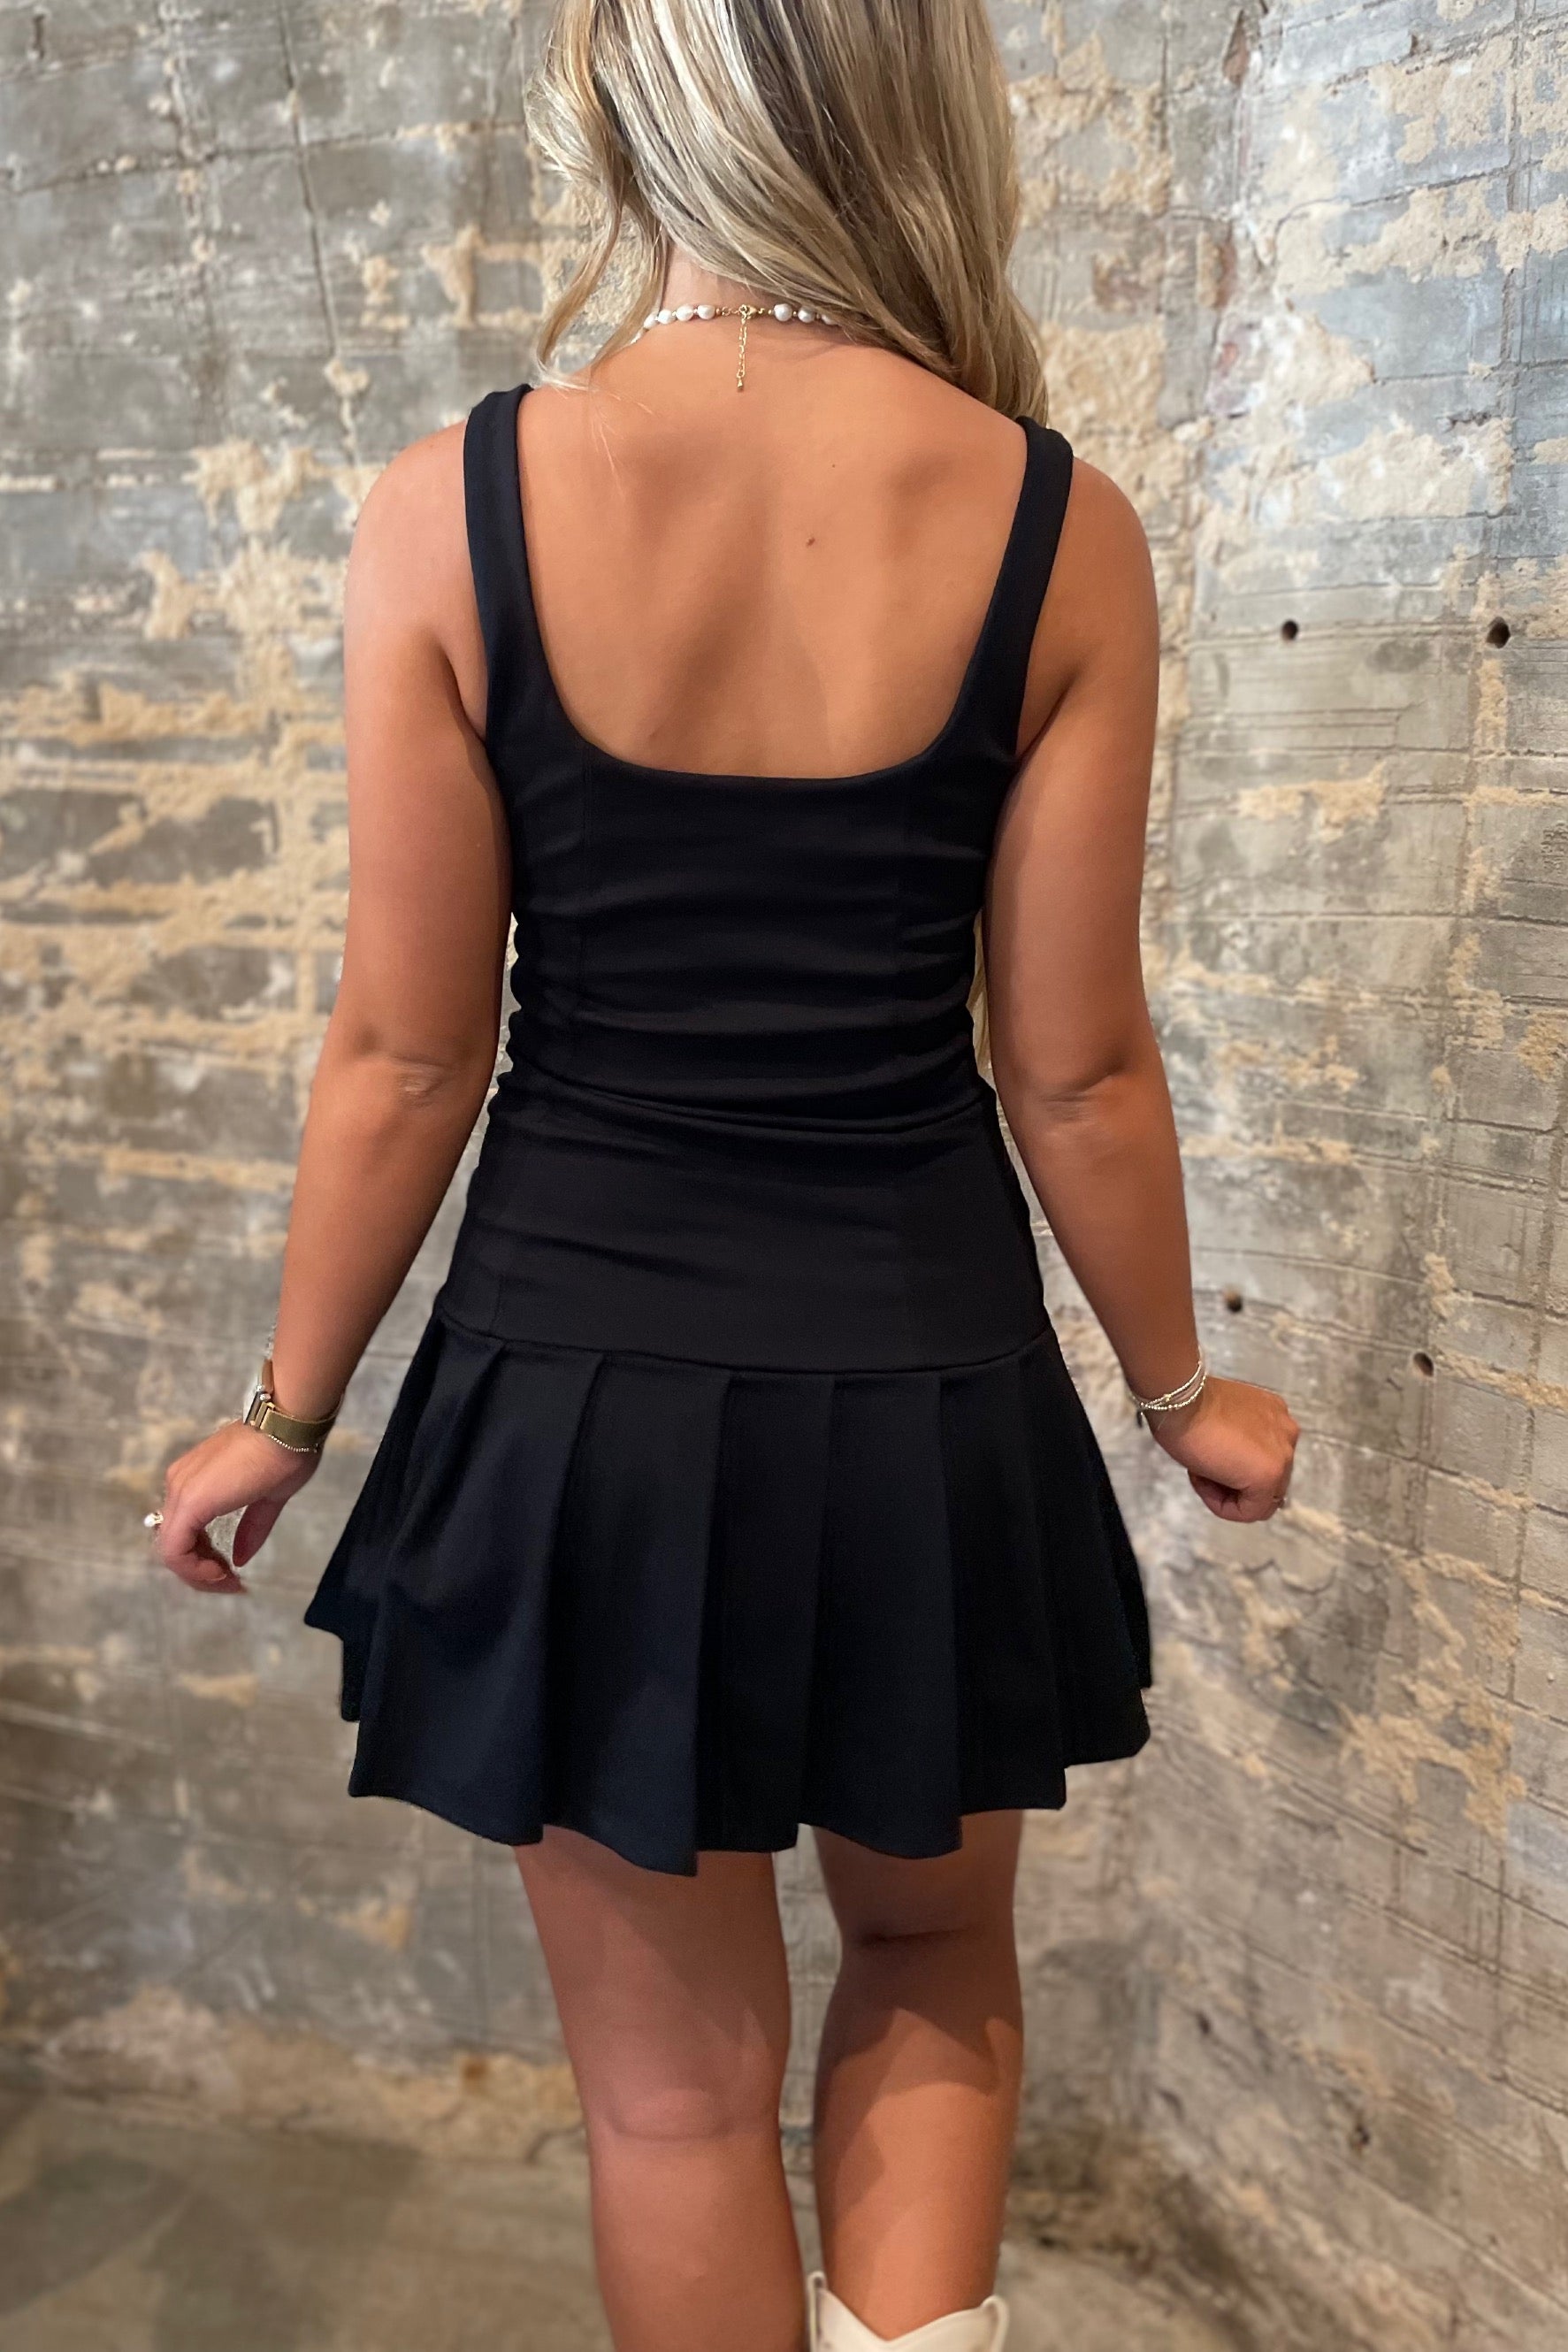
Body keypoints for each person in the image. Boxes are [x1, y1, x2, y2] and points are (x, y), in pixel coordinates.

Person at [149, 2, 1299, 2346]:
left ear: (626, 107)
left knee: (672, 2105)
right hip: (924, 1387)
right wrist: (1186, 1391)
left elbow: (406, 1052)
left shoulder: (456, 506)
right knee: (934, 1960)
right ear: (924, 118)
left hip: (580, 1400)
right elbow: (1076, 1066)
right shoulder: (1057, 525)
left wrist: (282, 1413)